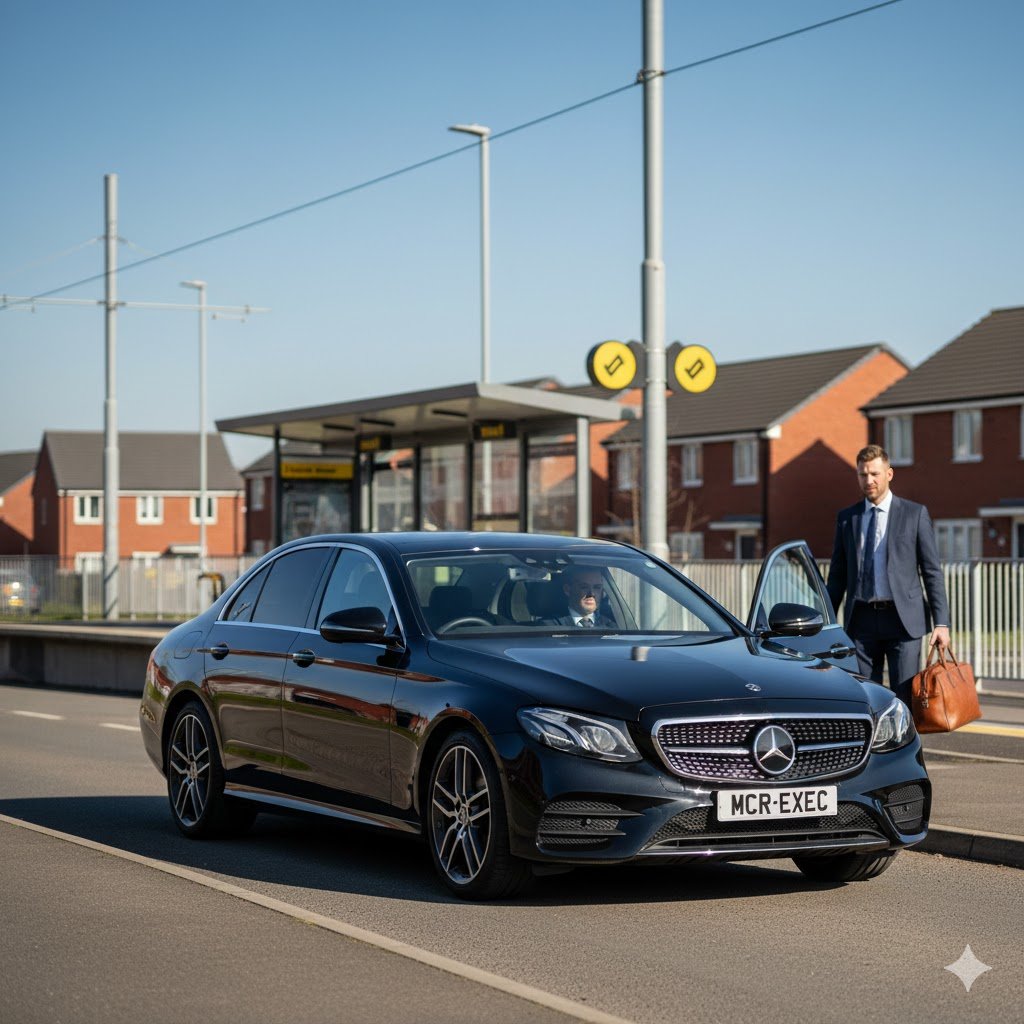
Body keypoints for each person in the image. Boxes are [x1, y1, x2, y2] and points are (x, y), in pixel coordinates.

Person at [827, 444, 950, 704]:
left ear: (889, 474)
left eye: (875, 474)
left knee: (904, 698)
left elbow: (931, 571)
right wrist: (826, 623)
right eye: (863, 474)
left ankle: (903, 745)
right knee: (864, 697)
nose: (869, 480)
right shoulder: (847, 518)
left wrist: (942, 623)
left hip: (903, 620)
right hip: (860, 621)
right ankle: (872, 746)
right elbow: (837, 575)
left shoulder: (914, 514)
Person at [548, 567, 615, 628]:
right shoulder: (549, 626)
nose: (592, 594)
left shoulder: (611, 626)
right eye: (584, 587)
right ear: (567, 590)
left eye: (597, 587)